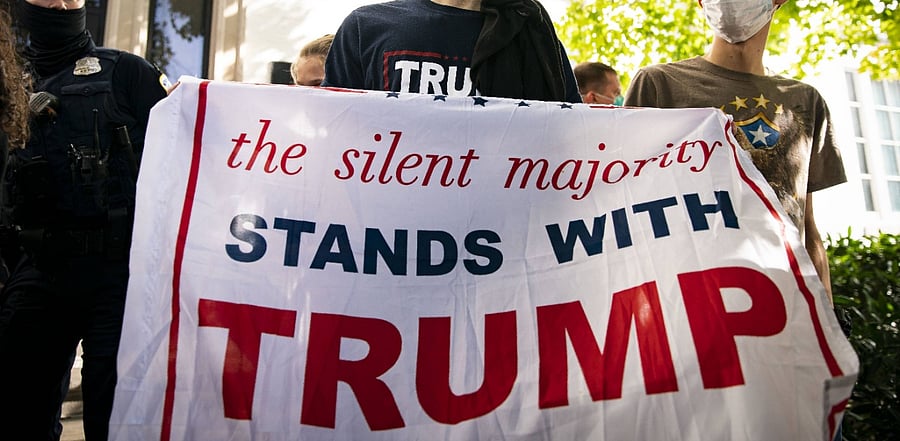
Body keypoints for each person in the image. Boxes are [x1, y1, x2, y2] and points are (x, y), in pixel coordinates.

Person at [0, 0, 168, 439]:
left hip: (118, 276)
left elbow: (180, 174)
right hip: (38, 269)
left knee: (113, 415)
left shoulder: (129, 73)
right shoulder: (8, 82)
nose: (60, 3)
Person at [624, 0, 846, 305]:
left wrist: (828, 315)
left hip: (786, 310)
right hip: (693, 309)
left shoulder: (806, 101)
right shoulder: (658, 85)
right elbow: (630, 215)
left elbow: (807, 227)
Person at [322, 0, 581, 103]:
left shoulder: (533, 34)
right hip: (388, 214)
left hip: (504, 215)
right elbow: (333, 131)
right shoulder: (365, 27)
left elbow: (569, 135)